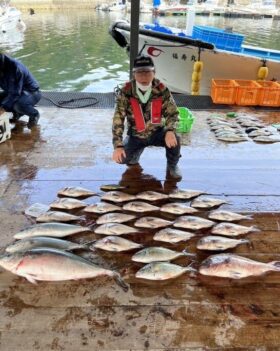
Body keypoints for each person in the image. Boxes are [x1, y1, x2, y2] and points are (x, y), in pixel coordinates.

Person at [112, 54, 182, 180]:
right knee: (122, 159)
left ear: (154, 72)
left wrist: (170, 130)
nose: (144, 76)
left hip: (156, 132)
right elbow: (118, 119)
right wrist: (118, 145)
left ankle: (172, 166)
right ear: (134, 74)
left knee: (175, 139)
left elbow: (173, 113)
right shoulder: (126, 91)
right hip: (136, 135)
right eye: (139, 72)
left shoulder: (161, 89)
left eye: (147, 72)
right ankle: (136, 152)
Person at [0, 53, 41, 129]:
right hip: (13, 90)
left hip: (31, 92)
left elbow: (15, 93)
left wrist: (3, 109)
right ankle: (18, 113)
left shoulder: (15, 69)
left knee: (18, 105)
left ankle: (34, 114)